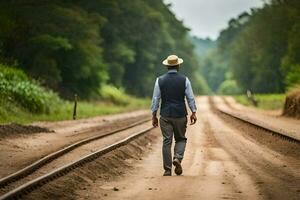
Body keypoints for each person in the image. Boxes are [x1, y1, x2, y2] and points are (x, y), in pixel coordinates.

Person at [151, 54, 197, 176]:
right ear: (178, 65)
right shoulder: (185, 80)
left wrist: (154, 115)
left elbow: (156, 99)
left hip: (165, 115)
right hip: (180, 115)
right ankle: (177, 157)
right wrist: (193, 112)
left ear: (167, 66)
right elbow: (190, 97)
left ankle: (167, 170)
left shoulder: (159, 80)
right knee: (181, 139)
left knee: (167, 141)